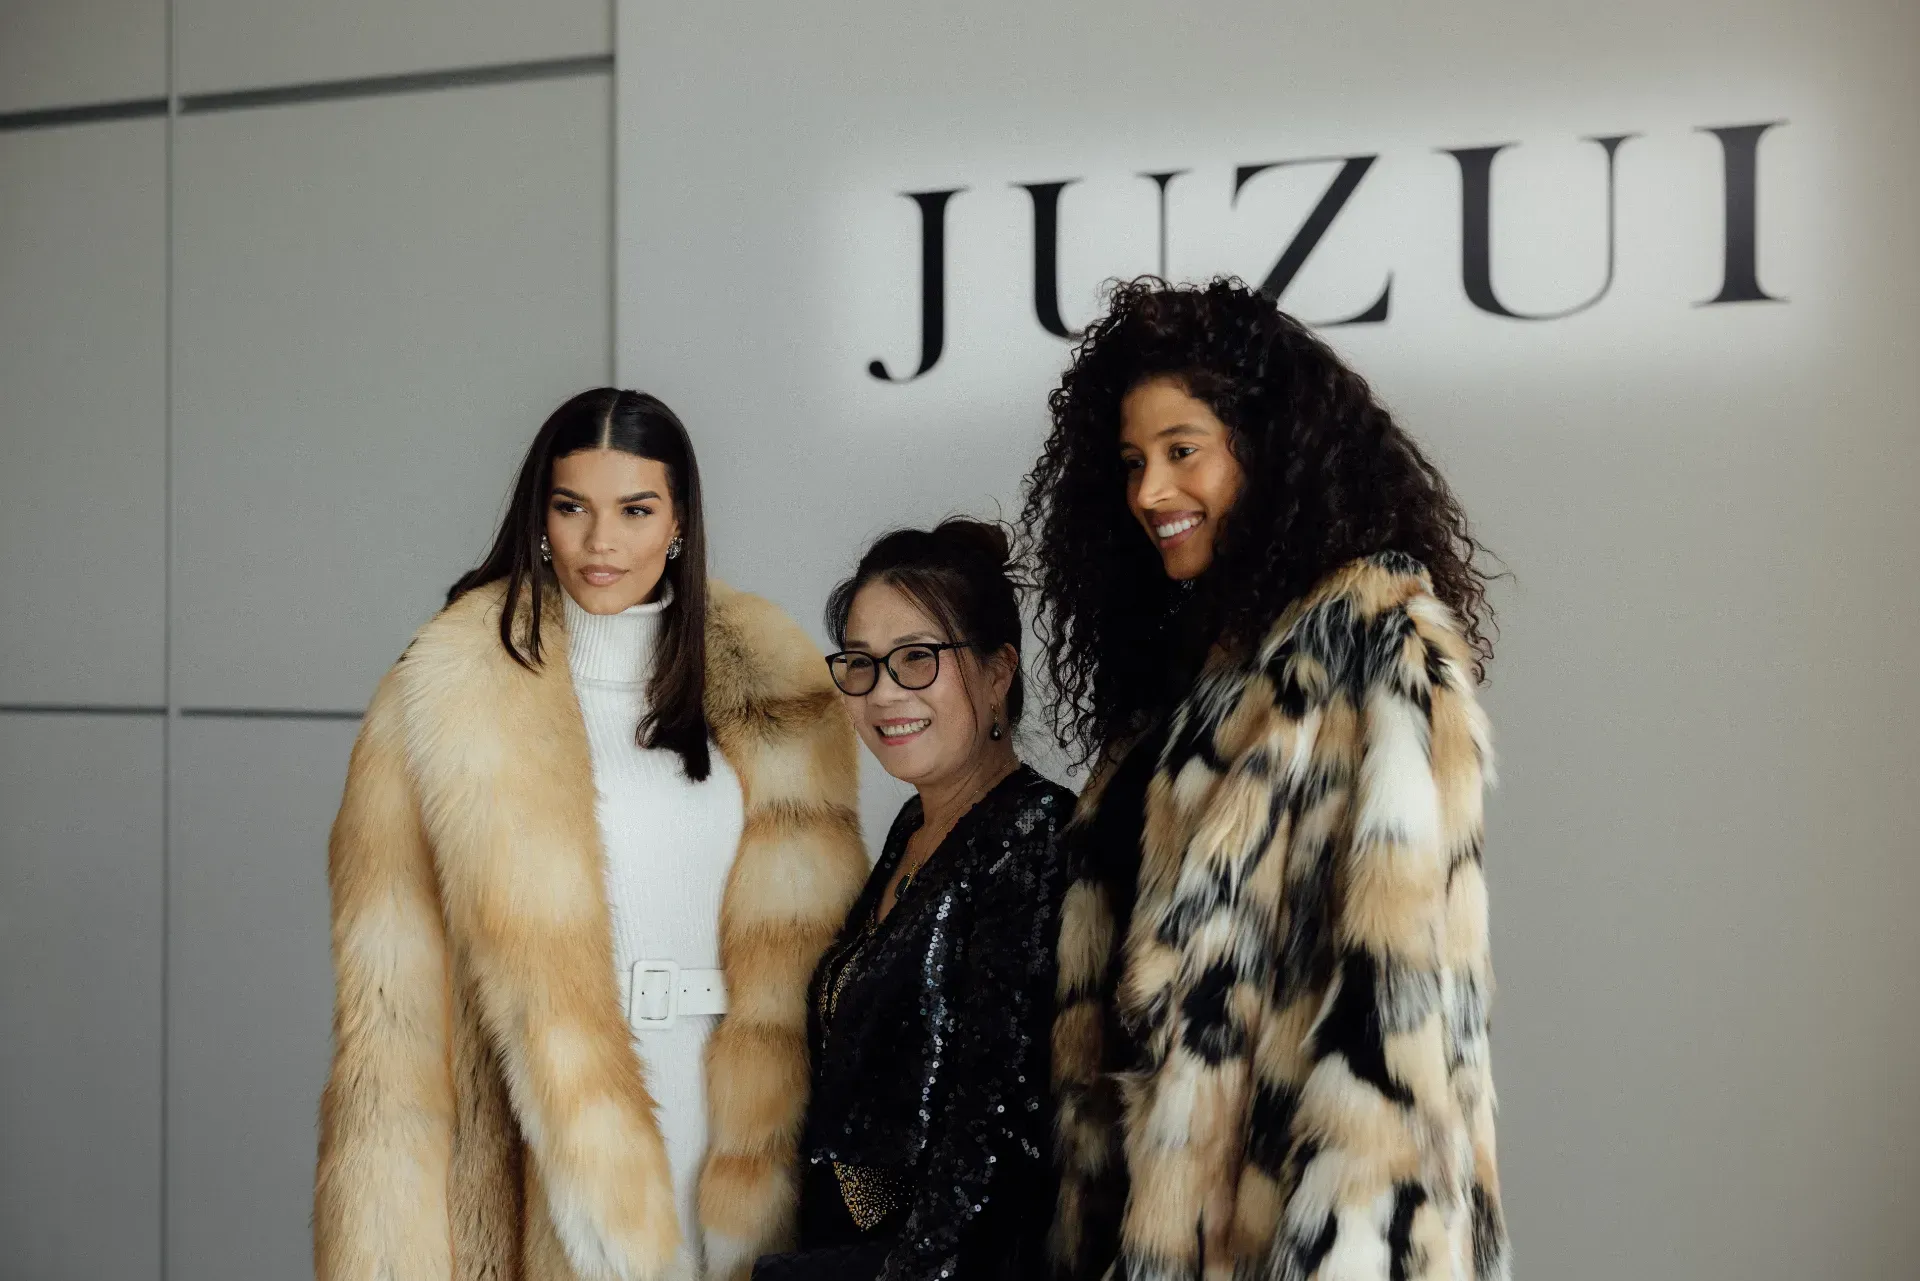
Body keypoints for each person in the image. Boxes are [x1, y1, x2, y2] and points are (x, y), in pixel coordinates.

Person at [314, 388, 869, 1281]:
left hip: (740, 1138)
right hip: (550, 1146)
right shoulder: (444, 698)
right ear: (540, 517)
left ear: (679, 521)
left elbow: (832, 977)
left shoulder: (780, 694)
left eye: (635, 510)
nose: (601, 543)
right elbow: (390, 1024)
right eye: (572, 507)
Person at [1022, 278, 1509, 1281]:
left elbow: (1394, 1029)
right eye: (1131, 463)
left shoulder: (1372, 647)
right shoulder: (1198, 679)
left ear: (1272, 452)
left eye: (1182, 451)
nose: (1151, 491)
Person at [755, 519, 1073, 1281]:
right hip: (844, 1253)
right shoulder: (915, 823)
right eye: (861, 664)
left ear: (999, 672)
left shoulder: (1036, 834)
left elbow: (994, 1134)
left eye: (917, 659)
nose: (883, 693)